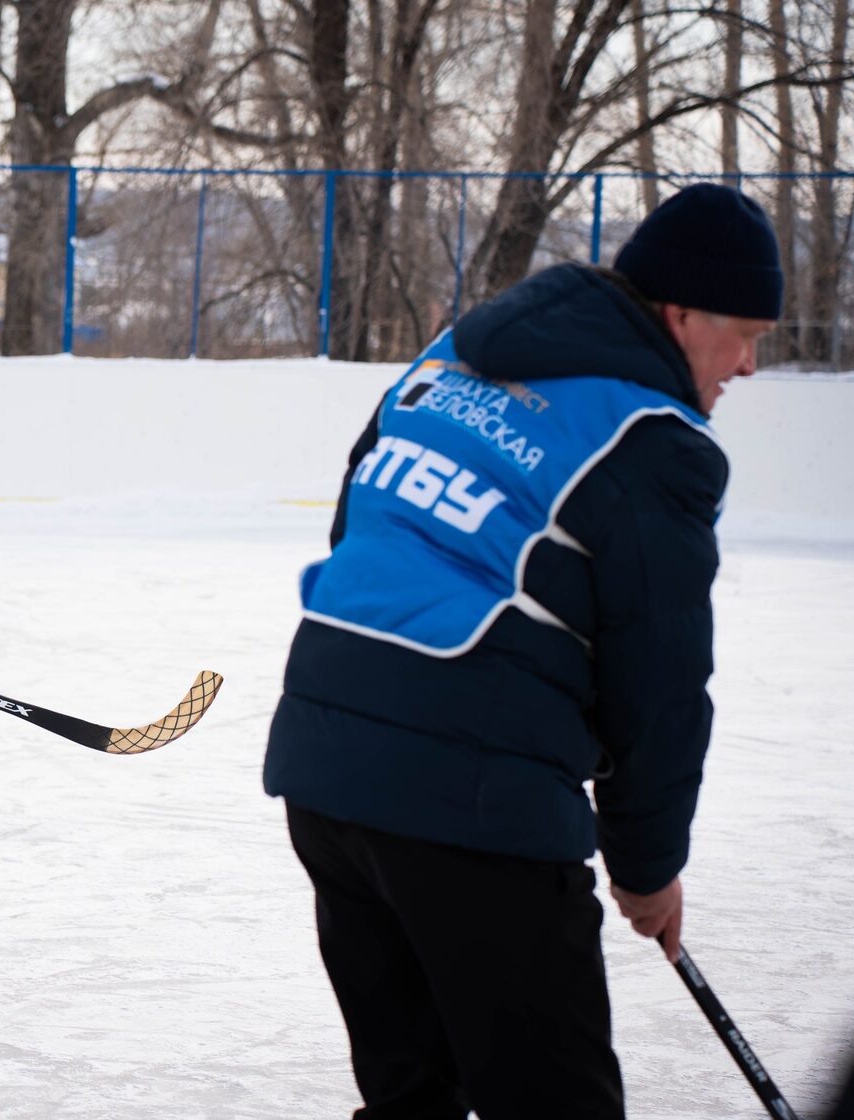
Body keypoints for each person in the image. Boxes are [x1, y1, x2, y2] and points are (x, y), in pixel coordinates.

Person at [263, 183, 781, 1118]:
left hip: (324, 766)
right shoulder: (654, 442)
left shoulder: (450, 357)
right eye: (742, 334)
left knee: (413, 1098)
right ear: (678, 314)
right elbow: (659, 686)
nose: (747, 365)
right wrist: (647, 868)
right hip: (469, 804)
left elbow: (359, 518)